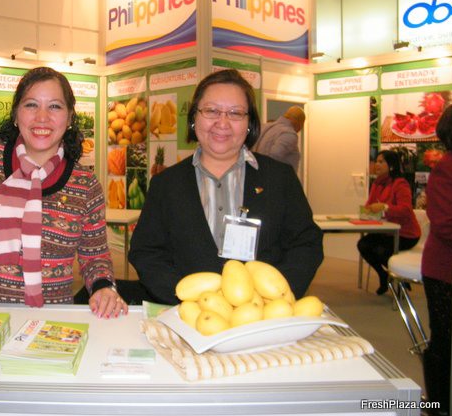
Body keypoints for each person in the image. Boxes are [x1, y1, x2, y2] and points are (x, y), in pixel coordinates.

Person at [0, 67, 126, 319]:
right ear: (15, 113)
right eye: (31, 105)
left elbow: (95, 256)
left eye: (54, 106)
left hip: (50, 320)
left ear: (69, 117)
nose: (42, 117)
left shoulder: (85, 185)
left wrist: (103, 287)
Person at [128, 69, 323, 305]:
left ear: (250, 123)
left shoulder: (280, 179)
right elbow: (146, 251)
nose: (222, 123)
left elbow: (306, 244)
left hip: (262, 315)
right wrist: (184, 298)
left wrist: (276, 297)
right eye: (211, 111)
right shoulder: (166, 185)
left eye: (235, 113)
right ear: (194, 117)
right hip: (189, 315)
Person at [421, 102, 452, 416]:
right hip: (445, 270)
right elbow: (446, 225)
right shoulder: (447, 168)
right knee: (445, 342)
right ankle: (438, 407)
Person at [357, 150, 421, 295]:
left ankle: (400, 278)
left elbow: (405, 210)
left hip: (405, 234)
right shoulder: (377, 183)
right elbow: (369, 205)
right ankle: (384, 275)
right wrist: (367, 211)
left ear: (391, 165)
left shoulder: (400, 183)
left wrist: (385, 207)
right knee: (363, 245)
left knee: (380, 250)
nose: (377, 165)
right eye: (376, 161)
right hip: (386, 231)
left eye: (381, 162)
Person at [253, 105, 305, 172]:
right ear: (298, 122)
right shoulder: (289, 134)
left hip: (258, 173)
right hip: (276, 176)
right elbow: (274, 158)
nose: (300, 129)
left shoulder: (264, 127)